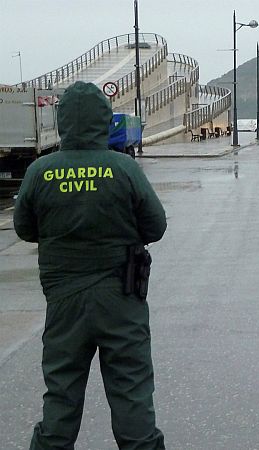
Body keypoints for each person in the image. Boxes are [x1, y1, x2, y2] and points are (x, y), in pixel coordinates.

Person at [14, 81, 167, 449]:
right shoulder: (123, 168)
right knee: (131, 393)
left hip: (64, 299)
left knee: (61, 394)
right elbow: (155, 226)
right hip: (121, 297)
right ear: (103, 120)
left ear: (62, 121)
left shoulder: (40, 171)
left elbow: (24, 228)